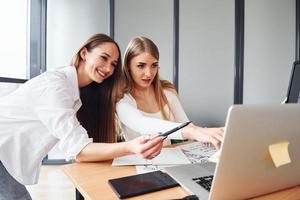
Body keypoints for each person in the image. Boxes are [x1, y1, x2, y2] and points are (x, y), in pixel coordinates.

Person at [0, 33, 164, 200]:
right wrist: (132, 147)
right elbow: (79, 149)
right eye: (103, 58)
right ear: (84, 53)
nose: (108, 68)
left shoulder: (77, 93)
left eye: (113, 64)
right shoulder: (56, 87)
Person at [116, 36, 224, 149]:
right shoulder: (121, 99)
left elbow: (187, 125)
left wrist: (211, 133)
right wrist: (193, 131)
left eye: (154, 65)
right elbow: (141, 124)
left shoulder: (166, 91)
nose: (149, 73)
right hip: (137, 164)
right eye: (141, 66)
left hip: (169, 159)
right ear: (128, 65)